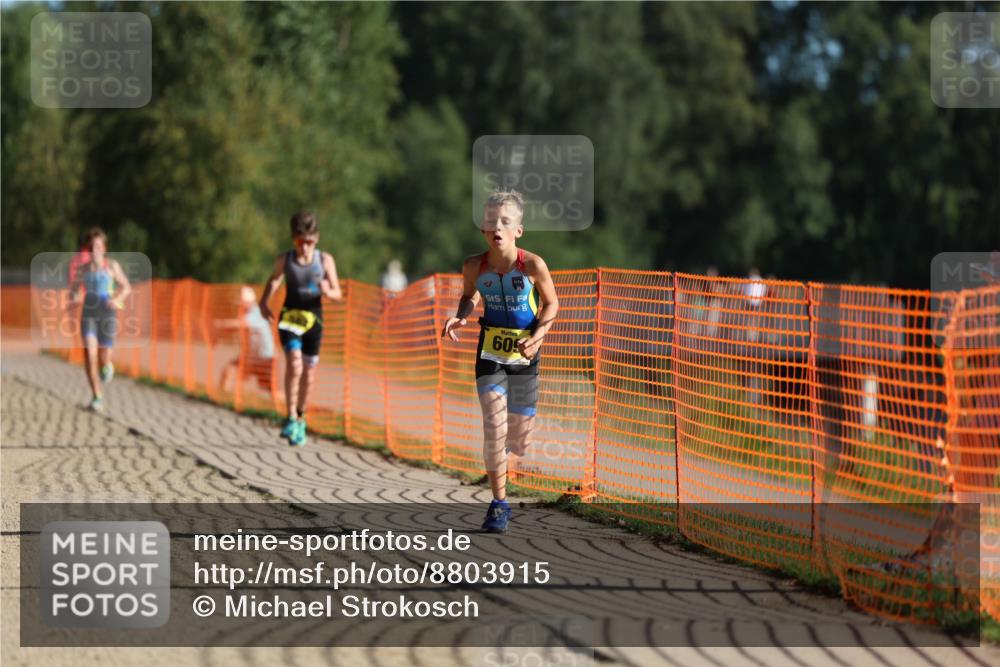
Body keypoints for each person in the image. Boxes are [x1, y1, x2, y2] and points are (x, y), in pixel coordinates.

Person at [440, 190, 559, 533]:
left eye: (505, 221)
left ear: (518, 230)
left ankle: (502, 463)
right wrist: (460, 317)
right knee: (494, 427)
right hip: (491, 352)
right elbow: (469, 295)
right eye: (491, 221)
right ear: (482, 228)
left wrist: (537, 339)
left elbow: (552, 304)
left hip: (525, 354)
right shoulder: (473, 266)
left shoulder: (533, 265)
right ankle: (499, 503)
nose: (497, 227)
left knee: (518, 439)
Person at [259, 211, 342, 447]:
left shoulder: (325, 261)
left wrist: (328, 290)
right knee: (294, 363)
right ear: (293, 239)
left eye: (309, 242)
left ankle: (301, 416)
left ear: (316, 239)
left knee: (309, 371)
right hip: (290, 318)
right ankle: (290, 416)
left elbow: (338, 293)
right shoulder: (285, 260)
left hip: (314, 321)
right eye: (299, 242)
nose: (304, 248)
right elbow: (275, 279)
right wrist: (264, 301)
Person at [66, 227, 132, 412]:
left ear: (104, 248)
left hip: (107, 313)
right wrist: (74, 298)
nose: (95, 249)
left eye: (98, 246)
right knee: (90, 356)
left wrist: (117, 299)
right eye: (92, 246)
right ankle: (97, 396)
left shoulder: (112, 266)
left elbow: (126, 287)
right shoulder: (83, 269)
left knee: (103, 357)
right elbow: (74, 291)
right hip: (89, 314)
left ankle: (107, 366)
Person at [217, 286, 275, 394]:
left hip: (264, 359)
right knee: (229, 370)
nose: (239, 307)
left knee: (272, 391)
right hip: (251, 357)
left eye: (241, 304)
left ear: (248, 302)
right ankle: (224, 397)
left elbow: (241, 324)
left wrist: (222, 324)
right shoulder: (248, 314)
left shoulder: (256, 313)